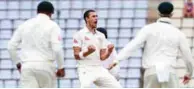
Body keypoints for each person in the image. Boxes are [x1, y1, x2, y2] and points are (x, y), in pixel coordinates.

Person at [109, 2, 193, 88]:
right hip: (170, 72)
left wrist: (117, 60)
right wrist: (189, 73)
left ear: (159, 13)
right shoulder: (178, 33)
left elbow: (133, 45)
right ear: (172, 14)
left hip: (151, 71)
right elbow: (188, 57)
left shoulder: (148, 29)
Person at [7, 1, 65, 88]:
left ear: (37, 11)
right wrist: (61, 67)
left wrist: (18, 64)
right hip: (46, 66)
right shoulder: (53, 26)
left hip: (27, 66)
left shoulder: (25, 25)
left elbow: (11, 47)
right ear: (51, 13)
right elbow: (57, 49)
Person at [72, 10, 121, 88]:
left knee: (117, 87)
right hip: (85, 68)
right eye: (93, 16)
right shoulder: (79, 35)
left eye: (96, 16)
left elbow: (102, 57)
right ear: (87, 19)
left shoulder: (101, 36)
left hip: (98, 68)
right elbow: (76, 56)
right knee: (85, 86)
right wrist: (88, 52)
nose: (96, 18)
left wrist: (109, 52)